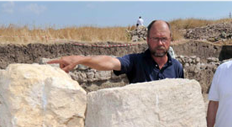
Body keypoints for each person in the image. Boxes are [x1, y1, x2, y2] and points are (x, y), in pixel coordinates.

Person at [48, 20, 184, 84]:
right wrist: (80, 60)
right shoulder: (136, 61)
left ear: (170, 39)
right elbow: (110, 62)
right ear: (148, 40)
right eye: (155, 38)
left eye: (164, 39)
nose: (160, 43)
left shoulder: (177, 67)